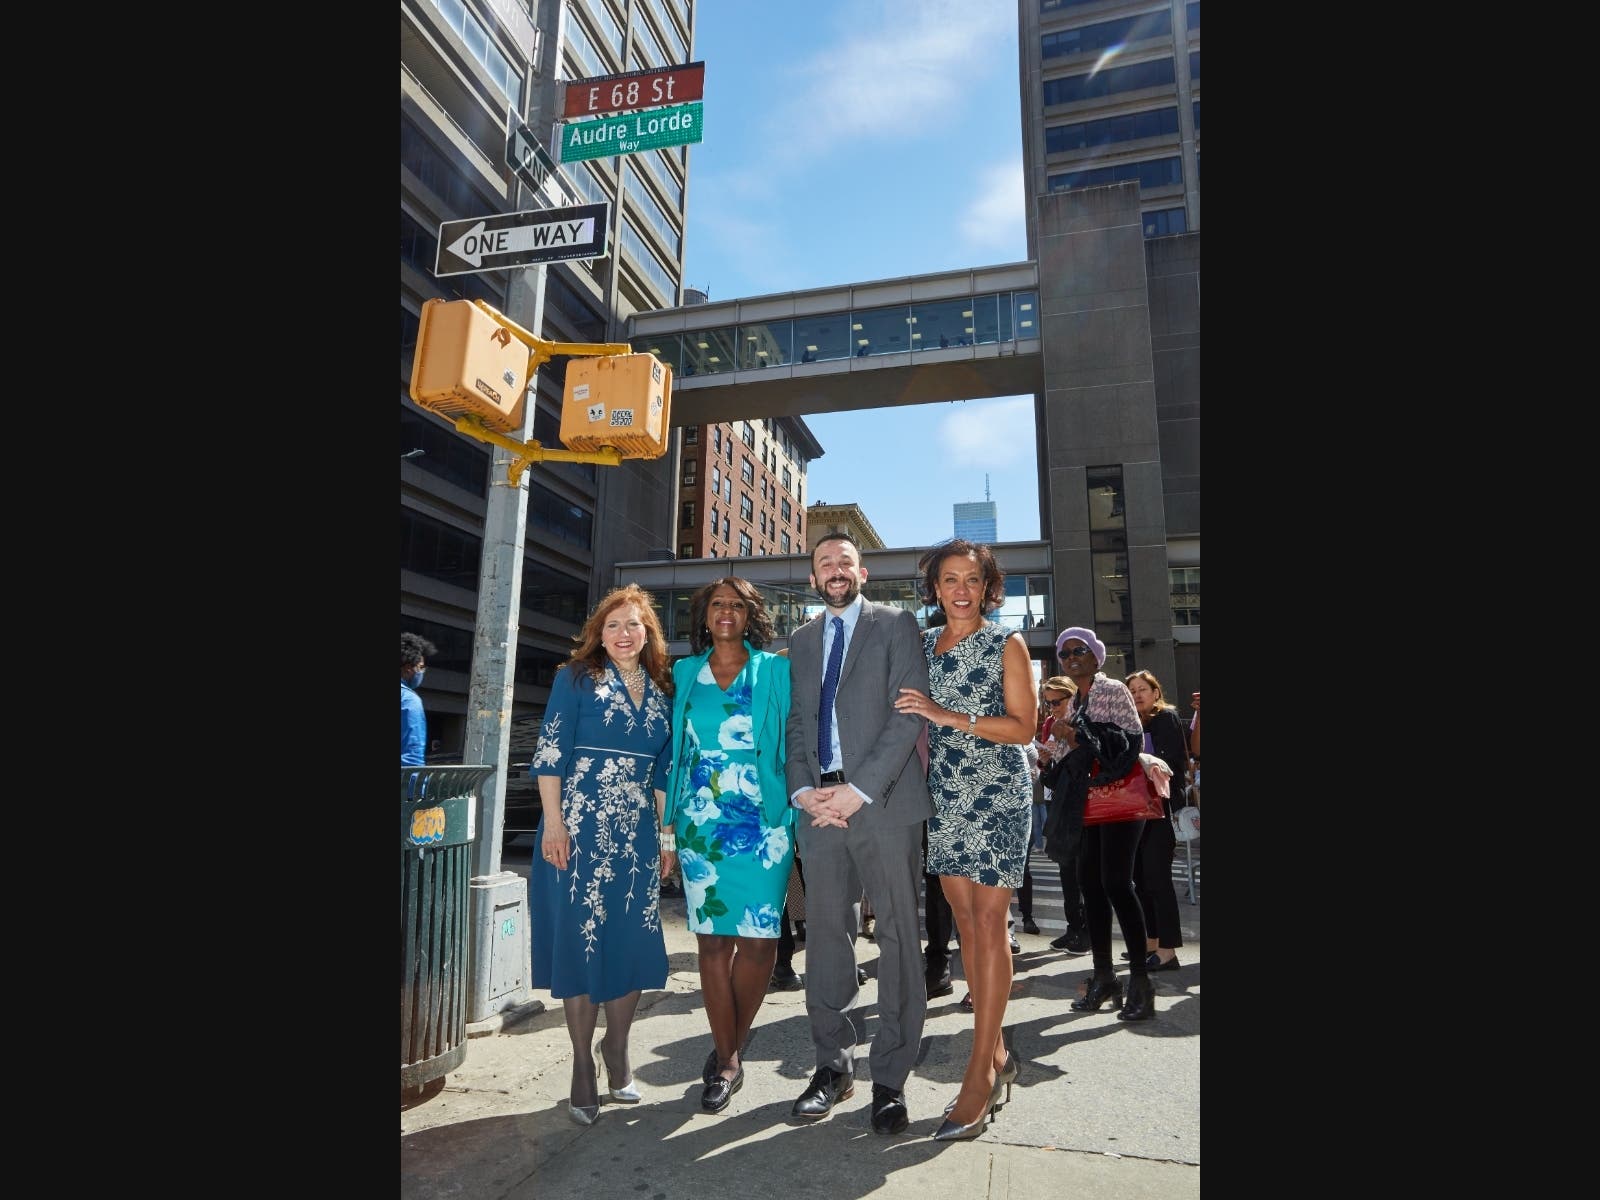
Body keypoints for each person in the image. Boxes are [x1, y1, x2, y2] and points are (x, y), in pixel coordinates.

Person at [784, 534, 934, 1136]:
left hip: (884, 803)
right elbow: (796, 722)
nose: (836, 570)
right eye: (825, 563)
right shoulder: (799, 640)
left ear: (863, 571)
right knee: (825, 939)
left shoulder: (896, 624)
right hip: (818, 809)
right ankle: (833, 1065)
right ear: (814, 577)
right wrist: (804, 791)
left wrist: (859, 789)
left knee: (897, 937)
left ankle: (891, 1078)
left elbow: (907, 713)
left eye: (845, 561)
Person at [894, 539, 1036, 1141]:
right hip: (948, 795)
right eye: (948, 579)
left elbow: (1025, 726)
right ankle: (998, 1052)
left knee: (989, 920)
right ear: (934, 587)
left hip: (999, 791)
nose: (959, 589)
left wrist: (950, 717)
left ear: (987, 586)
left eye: (970, 580)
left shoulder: (1007, 642)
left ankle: (978, 1074)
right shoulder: (923, 646)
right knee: (963, 925)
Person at [529, 584, 677, 1126]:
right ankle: (581, 1065)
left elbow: (665, 771)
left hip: (637, 832)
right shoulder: (575, 678)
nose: (622, 634)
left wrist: (666, 836)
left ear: (648, 633)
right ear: (599, 631)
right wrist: (554, 823)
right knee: (581, 939)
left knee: (631, 937)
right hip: (577, 828)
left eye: (633, 625)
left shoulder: (664, 689)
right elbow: (550, 752)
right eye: (613, 625)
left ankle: (617, 1048)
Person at [663, 577, 796, 1114]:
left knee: (760, 943)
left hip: (764, 822)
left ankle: (727, 1043)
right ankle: (728, 1060)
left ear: (750, 616)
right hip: (701, 821)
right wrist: (669, 829)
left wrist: (798, 808)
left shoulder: (776, 670)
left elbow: (792, 741)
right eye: (717, 604)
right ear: (704, 615)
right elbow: (678, 756)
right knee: (713, 943)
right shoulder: (683, 672)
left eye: (736, 606)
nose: (726, 612)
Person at [1047, 627, 1156, 1022]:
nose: (1071, 657)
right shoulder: (1075, 698)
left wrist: (1075, 734)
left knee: (1116, 884)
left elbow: (1128, 741)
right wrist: (1054, 747)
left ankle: (1142, 983)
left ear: (1097, 656)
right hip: (1087, 802)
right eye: (1063, 653)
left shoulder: (1111, 690)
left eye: (1079, 650)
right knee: (1089, 886)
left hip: (1120, 801)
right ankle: (1104, 976)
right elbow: (1065, 755)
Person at [1124, 670, 1190, 970]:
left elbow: (1168, 762)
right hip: (1133, 810)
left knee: (1157, 880)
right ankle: (1151, 943)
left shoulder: (1167, 720)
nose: (1137, 695)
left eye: (1142, 689)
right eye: (1132, 690)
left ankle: (1168, 950)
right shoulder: (1127, 723)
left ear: (1155, 693)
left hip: (1158, 810)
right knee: (1139, 880)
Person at [1037, 673, 1090, 954]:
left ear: (1072, 698)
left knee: (1085, 875)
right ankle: (1073, 929)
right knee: (1067, 873)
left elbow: (1090, 763)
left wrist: (1068, 738)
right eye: (1049, 703)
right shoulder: (1053, 726)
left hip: (1086, 809)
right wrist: (1046, 764)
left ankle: (1087, 933)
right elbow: (1054, 780)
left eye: (1057, 701)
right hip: (1062, 808)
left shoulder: (1086, 722)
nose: (1053, 708)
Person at [401, 632, 437, 767]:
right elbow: (412, 758)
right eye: (421, 667)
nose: (422, 672)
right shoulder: (409, 700)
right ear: (409, 669)